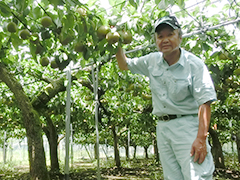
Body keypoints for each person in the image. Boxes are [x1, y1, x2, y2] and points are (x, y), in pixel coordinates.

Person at [115, 15, 217, 180]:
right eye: (160, 36)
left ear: (180, 37)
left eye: (170, 35)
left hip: (187, 127)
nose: (165, 40)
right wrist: (117, 43)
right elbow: (124, 64)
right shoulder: (152, 61)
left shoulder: (194, 64)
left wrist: (201, 138)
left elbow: (205, 103)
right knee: (172, 177)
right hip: (163, 128)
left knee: (196, 176)